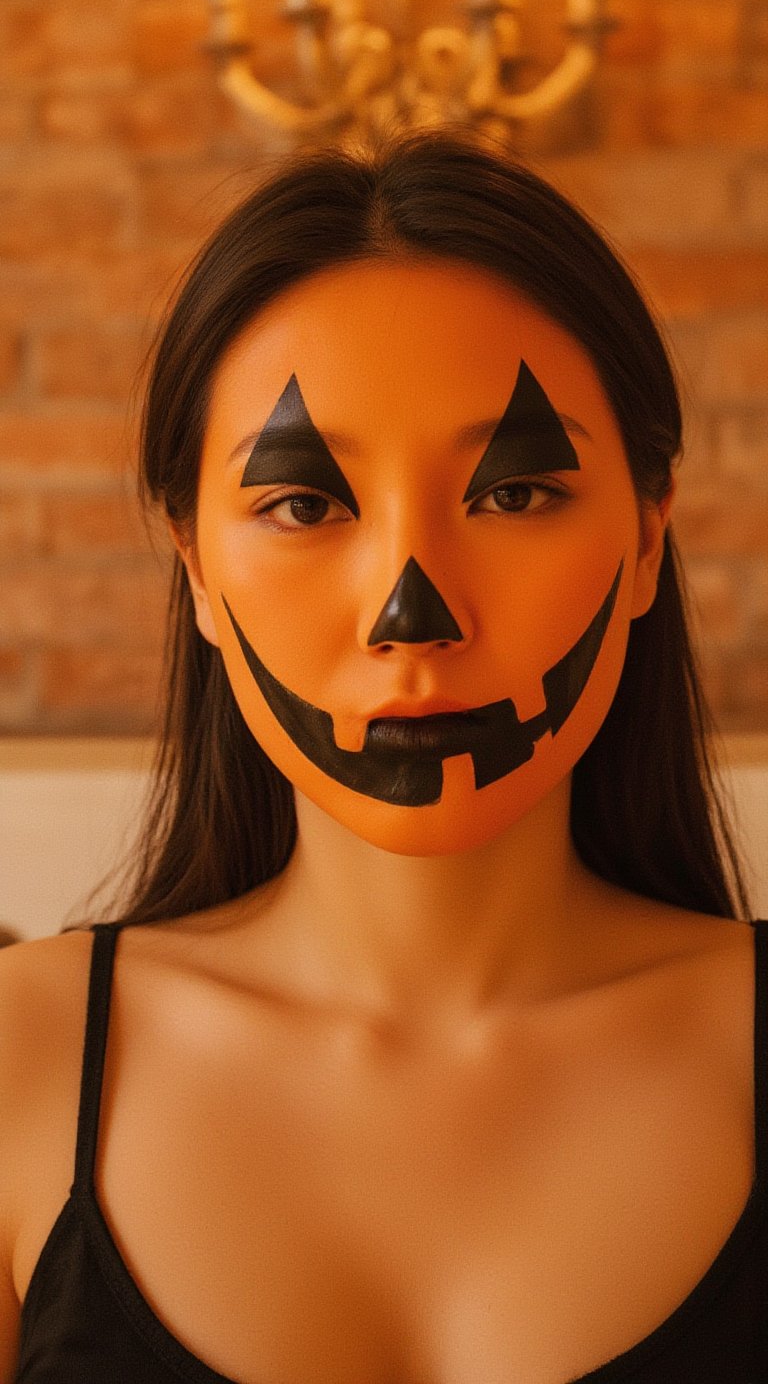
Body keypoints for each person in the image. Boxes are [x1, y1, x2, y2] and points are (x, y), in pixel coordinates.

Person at [0, 131, 764, 1383]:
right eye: (305, 503)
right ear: (194, 566)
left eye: (514, 493)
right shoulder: (19, 1058)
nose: (415, 612)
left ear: (645, 536)